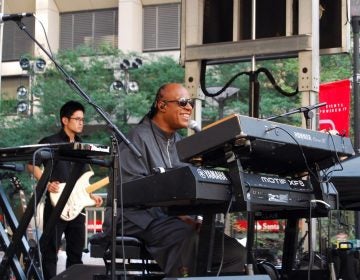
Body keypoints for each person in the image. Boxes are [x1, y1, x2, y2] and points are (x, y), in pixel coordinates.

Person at [103, 83, 247, 277]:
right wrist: (178, 215)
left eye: (190, 103)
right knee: (185, 237)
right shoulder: (137, 138)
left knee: (234, 252)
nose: (189, 107)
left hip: (169, 219)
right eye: (182, 102)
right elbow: (128, 193)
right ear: (162, 105)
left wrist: (192, 216)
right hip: (132, 216)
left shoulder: (179, 143)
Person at [28, 100, 103, 280]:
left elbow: (83, 179)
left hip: (77, 208)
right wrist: (45, 183)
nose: (81, 123)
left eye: (82, 119)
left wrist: (91, 195)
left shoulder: (82, 145)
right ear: (65, 120)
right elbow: (32, 164)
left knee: (76, 253)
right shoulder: (50, 142)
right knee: (50, 251)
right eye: (77, 119)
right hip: (55, 205)